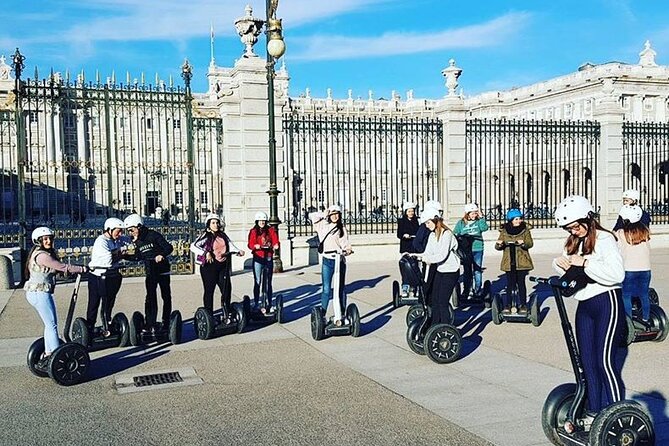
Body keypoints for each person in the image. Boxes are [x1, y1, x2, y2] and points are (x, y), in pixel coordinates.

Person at [552, 195, 625, 418]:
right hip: (585, 304)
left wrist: (585, 262)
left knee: (605, 362)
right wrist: (560, 264)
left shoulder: (604, 239)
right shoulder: (575, 242)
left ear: (588, 218)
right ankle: (594, 412)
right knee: (587, 363)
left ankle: (616, 414)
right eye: (569, 228)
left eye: (575, 226)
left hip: (606, 302)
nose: (573, 231)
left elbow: (617, 274)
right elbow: (568, 269)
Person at [24, 227, 87, 372]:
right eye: (45, 239)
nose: (48, 241)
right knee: (52, 325)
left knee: (49, 324)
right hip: (40, 293)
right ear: (38, 241)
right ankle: (55, 356)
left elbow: (54, 270)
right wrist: (82, 269)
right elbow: (62, 266)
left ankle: (48, 353)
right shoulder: (42, 256)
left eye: (50, 238)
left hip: (35, 292)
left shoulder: (38, 253)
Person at [123, 214, 174, 333]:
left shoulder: (153, 235)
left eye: (131, 230)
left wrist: (161, 255)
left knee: (166, 296)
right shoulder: (137, 241)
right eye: (128, 231)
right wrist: (124, 256)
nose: (130, 233)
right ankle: (150, 322)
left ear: (139, 226)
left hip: (162, 270)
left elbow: (169, 248)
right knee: (150, 297)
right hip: (150, 271)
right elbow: (138, 256)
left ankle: (166, 321)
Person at [411, 208, 460, 326]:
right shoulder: (432, 236)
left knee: (443, 302)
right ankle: (434, 326)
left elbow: (442, 256)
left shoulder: (447, 234)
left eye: (428, 223)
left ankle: (445, 328)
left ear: (435, 220)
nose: (427, 226)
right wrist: (414, 255)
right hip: (440, 270)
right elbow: (428, 253)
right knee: (434, 300)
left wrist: (427, 259)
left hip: (451, 271)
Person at [190, 213, 245, 316]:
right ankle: (208, 314)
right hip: (209, 267)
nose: (215, 225)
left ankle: (226, 311)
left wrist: (238, 251)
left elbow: (230, 245)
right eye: (213, 223)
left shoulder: (222, 235)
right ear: (209, 224)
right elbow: (193, 246)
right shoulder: (205, 236)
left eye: (217, 223)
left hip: (222, 266)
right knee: (209, 291)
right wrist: (206, 253)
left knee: (226, 289)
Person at [87, 217, 131, 336]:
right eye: (118, 231)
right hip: (97, 276)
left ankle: (107, 323)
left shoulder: (116, 239)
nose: (120, 234)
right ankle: (90, 328)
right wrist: (120, 255)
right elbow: (109, 260)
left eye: (122, 231)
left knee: (109, 301)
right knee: (94, 303)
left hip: (111, 275)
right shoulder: (101, 241)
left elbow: (130, 241)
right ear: (109, 230)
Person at [310, 205, 352, 313]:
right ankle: (322, 313)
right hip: (327, 261)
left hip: (339, 261)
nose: (335, 216)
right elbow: (312, 216)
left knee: (340, 289)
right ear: (329, 215)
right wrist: (325, 213)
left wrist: (347, 250)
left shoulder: (341, 229)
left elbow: (345, 243)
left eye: (337, 214)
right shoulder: (322, 225)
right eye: (333, 214)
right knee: (326, 289)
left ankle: (342, 313)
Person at [615, 204, 651, 322]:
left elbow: (617, 248)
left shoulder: (621, 233)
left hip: (629, 269)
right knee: (644, 295)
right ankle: (646, 319)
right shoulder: (645, 231)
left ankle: (628, 321)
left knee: (626, 296)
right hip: (646, 269)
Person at [494, 209, 534, 313]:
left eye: (520, 218)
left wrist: (523, 243)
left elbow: (530, 243)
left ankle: (523, 305)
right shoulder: (504, 231)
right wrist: (499, 244)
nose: (519, 221)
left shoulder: (525, 230)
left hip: (521, 262)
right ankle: (507, 304)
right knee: (510, 284)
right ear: (511, 220)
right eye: (516, 219)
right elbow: (498, 246)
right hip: (509, 261)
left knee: (521, 283)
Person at [453, 203, 489, 297]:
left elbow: (484, 228)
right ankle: (466, 290)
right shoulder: (461, 223)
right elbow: (455, 233)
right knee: (467, 270)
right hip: (466, 250)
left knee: (477, 270)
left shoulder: (478, 222)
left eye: (475, 213)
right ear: (467, 213)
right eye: (472, 213)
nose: (474, 215)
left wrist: (481, 218)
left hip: (477, 248)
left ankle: (477, 290)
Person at [247, 211, 280, 309]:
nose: (262, 223)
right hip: (258, 258)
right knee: (258, 281)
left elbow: (275, 240)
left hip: (268, 257)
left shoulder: (270, 230)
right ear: (257, 221)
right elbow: (250, 244)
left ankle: (269, 302)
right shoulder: (253, 231)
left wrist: (276, 245)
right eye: (260, 221)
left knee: (268, 281)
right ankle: (257, 303)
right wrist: (255, 246)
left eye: (264, 221)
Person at [396, 202, 419, 294]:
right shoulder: (402, 221)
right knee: (405, 266)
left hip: (414, 247)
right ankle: (405, 285)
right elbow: (399, 234)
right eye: (409, 211)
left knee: (415, 266)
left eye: (412, 211)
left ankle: (414, 285)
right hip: (406, 247)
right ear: (406, 212)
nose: (411, 213)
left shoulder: (416, 221)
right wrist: (404, 235)